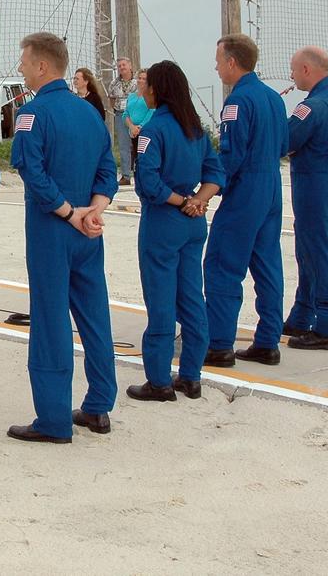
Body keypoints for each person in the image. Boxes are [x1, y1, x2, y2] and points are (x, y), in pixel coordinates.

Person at [6, 32, 119, 443]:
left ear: (42, 66)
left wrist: (71, 213)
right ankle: (99, 405)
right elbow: (108, 169)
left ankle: (53, 420)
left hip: (53, 229)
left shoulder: (32, 114)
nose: (20, 67)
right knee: (94, 314)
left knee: (51, 321)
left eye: (24, 61)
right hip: (90, 229)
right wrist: (94, 211)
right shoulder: (89, 112)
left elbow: (32, 173)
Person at [126, 61, 225, 402]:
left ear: (157, 89)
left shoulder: (153, 131)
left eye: (146, 85)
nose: (142, 90)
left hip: (163, 221)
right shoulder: (195, 130)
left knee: (161, 300)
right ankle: (191, 375)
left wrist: (182, 200)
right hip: (194, 222)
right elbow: (215, 174)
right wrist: (197, 200)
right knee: (191, 298)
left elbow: (148, 183)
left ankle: (158, 380)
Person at [203, 34, 289, 367]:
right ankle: (268, 341)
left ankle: (219, 344)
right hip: (272, 184)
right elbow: (283, 146)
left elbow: (232, 154)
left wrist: (209, 188)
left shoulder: (237, 102)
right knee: (267, 265)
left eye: (218, 60)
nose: (216, 66)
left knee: (223, 264)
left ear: (232, 62)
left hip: (246, 188)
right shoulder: (273, 98)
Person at [281, 47, 328, 350]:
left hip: (314, 184)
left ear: (307, 70)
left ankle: (326, 325)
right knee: (311, 251)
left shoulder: (311, 106)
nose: (293, 76)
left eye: (295, 70)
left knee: (317, 253)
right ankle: (302, 314)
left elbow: (286, 139)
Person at [106, 57, 136, 185]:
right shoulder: (114, 83)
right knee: (124, 145)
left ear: (130, 66)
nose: (122, 68)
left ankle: (140, 172)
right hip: (120, 114)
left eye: (124, 65)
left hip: (136, 115)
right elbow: (111, 98)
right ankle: (126, 175)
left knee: (138, 145)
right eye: (119, 66)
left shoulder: (138, 81)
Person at [123, 69, 155, 174]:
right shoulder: (131, 96)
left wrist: (140, 127)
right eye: (139, 78)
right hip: (132, 131)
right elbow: (125, 114)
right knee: (135, 156)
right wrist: (131, 126)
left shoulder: (151, 96)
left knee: (144, 156)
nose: (141, 81)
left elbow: (151, 111)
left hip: (144, 130)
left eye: (144, 79)